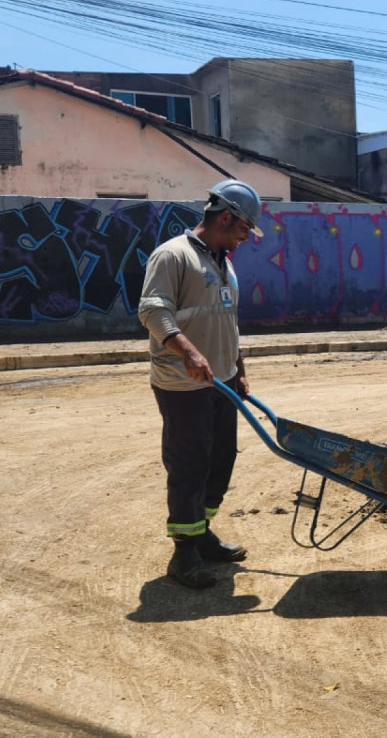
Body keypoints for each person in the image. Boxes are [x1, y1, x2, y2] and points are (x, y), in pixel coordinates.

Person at [137, 179, 264, 589]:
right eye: (245, 229)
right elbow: (153, 312)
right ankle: (184, 553)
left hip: (222, 381)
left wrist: (239, 367)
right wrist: (189, 352)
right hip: (182, 383)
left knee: (221, 458)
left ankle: (202, 533)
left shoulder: (223, 261)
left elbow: (228, 321)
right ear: (226, 217)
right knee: (190, 464)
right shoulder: (172, 255)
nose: (246, 238)